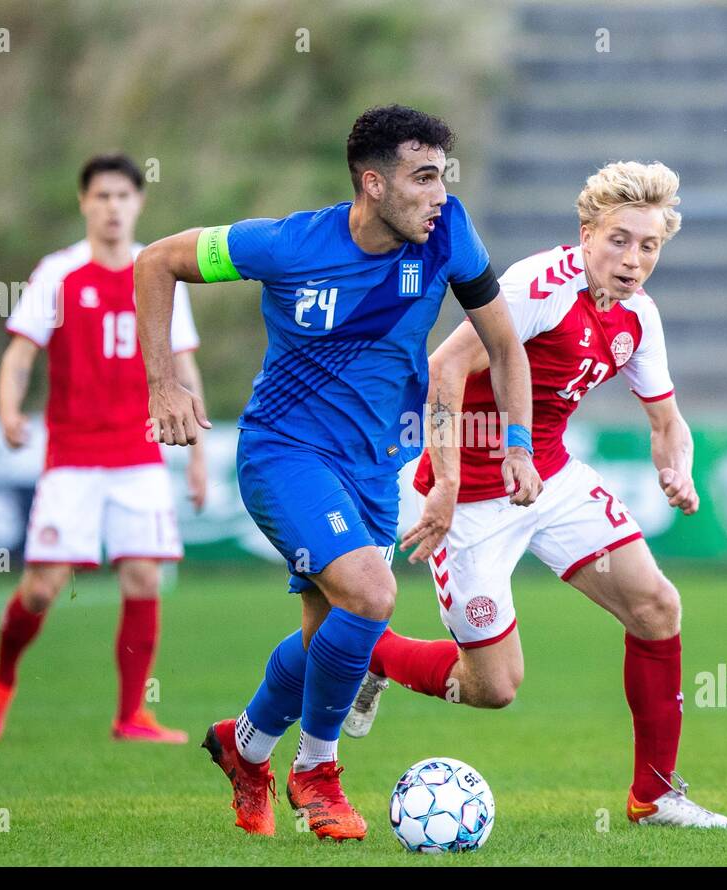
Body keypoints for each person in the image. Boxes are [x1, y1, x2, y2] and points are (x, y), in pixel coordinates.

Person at [133, 105, 542, 841]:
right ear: (373, 183)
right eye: (423, 178)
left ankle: (244, 746)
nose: (440, 195)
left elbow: (505, 345)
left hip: (375, 469)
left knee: (330, 640)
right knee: (372, 594)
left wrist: (517, 443)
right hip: (283, 454)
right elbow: (156, 262)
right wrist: (163, 385)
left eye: (443, 178)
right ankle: (316, 774)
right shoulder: (287, 244)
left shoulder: (449, 234)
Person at [345, 161, 727, 829]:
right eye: (619, 240)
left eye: (648, 246)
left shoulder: (639, 317)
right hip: (470, 498)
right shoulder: (538, 287)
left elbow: (667, 422)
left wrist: (680, 469)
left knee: (656, 607)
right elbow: (444, 366)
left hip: (550, 480)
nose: (633, 259)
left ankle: (654, 797)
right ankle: (375, 654)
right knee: (493, 688)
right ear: (587, 234)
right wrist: (445, 483)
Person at [0, 154, 206, 744]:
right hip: (71, 458)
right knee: (42, 587)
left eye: (123, 196)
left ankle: (131, 716)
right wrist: (7, 409)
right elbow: (20, 354)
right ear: (84, 203)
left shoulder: (158, 270)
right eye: (101, 196)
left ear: (139, 202)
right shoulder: (58, 273)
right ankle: (0, 682)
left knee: (144, 578)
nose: (112, 207)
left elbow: (183, 369)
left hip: (140, 454)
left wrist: (198, 455)